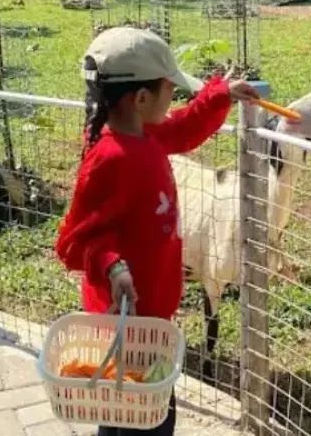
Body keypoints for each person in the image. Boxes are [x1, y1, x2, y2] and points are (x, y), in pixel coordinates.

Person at [54, 28, 263, 436]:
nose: (175, 99)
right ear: (142, 98)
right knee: (144, 419)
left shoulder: (142, 133)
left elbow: (183, 129)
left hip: (150, 311)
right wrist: (113, 267)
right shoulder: (111, 157)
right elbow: (76, 240)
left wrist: (220, 94)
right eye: (171, 90)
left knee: (126, 412)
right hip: (126, 318)